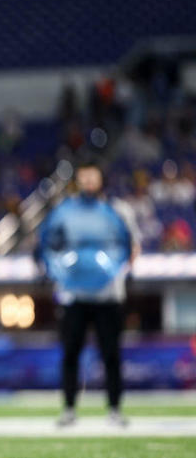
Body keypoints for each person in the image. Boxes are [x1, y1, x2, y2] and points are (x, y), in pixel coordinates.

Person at [37, 160, 140, 428]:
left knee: (111, 354)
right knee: (70, 352)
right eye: (83, 179)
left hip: (108, 295)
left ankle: (114, 409)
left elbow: (132, 245)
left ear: (101, 180)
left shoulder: (118, 210)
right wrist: (57, 268)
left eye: (92, 178)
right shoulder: (66, 212)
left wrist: (116, 271)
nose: (88, 184)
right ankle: (69, 408)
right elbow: (49, 243)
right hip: (74, 295)